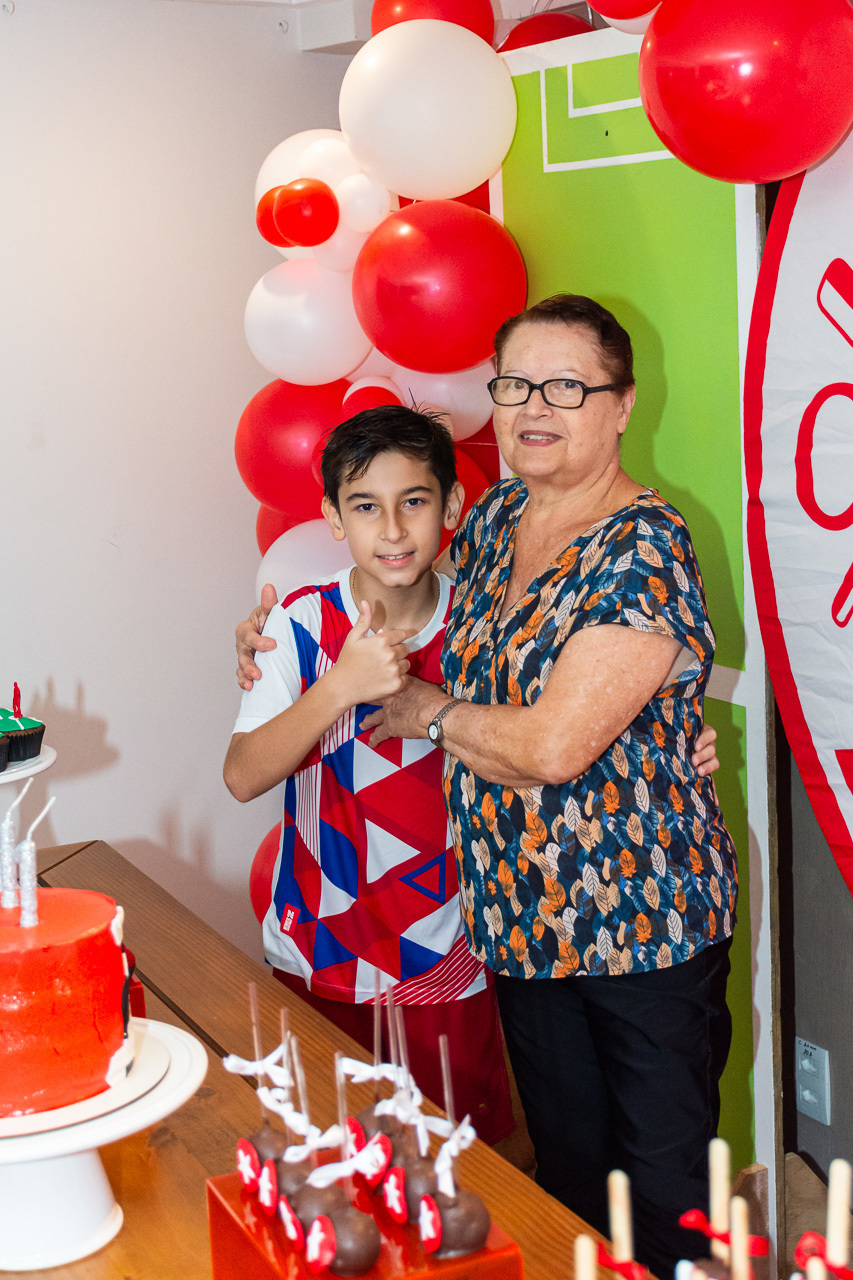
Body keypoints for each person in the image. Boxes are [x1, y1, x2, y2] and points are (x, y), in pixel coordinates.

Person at [234, 303, 726, 1258]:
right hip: (517, 921)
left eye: (567, 387)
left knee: (664, 1196)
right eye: (514, 386)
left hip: (638, 929)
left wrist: (423, 712)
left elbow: (549, 747)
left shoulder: (643, 544)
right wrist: (273, 638)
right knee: (568, 1182)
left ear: (620, 407)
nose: (534, 407)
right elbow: (404, 596)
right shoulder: (498, 518)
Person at [224, 405, 515, 1144]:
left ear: (450, 505)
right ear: (331, 517)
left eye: (413, 501)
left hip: (447, 958)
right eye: (364, 506)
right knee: (326, 1159)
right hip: (315, 950)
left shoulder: (484, 628)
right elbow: (243, 774)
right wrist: (339, 687)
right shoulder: (297, 624)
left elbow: (538, 742)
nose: (391, 530)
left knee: (460, 1170)